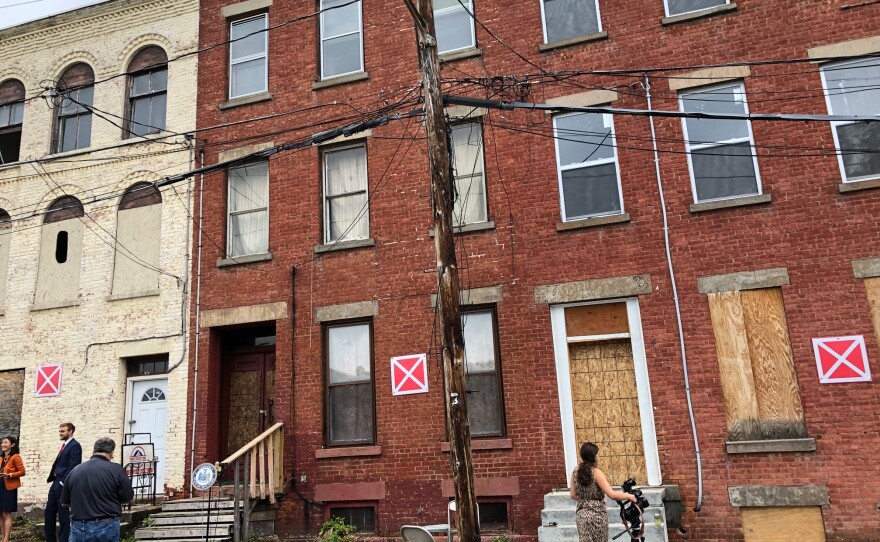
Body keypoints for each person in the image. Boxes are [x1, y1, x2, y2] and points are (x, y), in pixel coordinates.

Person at [61, 438, 133, 542]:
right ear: (111, 453)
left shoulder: (75, 471)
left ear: (93, 451)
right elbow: (128, 497)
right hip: (106, 524)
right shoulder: (116, 469)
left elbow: (65, 502)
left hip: (78, 526)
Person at [569, 442, 637, 542]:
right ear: (593, 457)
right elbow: (612, 495)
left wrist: (587, 499)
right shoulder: (596, 472)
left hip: (582, 514)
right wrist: (628, 496)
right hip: (597, 514)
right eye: (597, 454)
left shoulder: (575, 471)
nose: (599, 456)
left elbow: (573, 494)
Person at [45, 423, 82, 542]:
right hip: (55, 482)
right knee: (49, 513)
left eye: (62, 431)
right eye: (59, 431)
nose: (60, 433)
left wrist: (63, 483)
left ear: (70, 431)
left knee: (63, 516)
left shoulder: (75, 446)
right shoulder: (65, 445)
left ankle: (64, 540)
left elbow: (74, 467)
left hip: (62, 484)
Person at [0, 436, 26, 542]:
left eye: (5, 442)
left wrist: (10, 475)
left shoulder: (15, 457)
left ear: (13, 444)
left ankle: (6, 539)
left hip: (9, 488)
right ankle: (2, 537)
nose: (3, 444)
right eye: (2, 442)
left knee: (6, 513)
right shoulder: (1, 458)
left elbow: (22, 471)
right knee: (0, 513)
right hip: (0, 486)